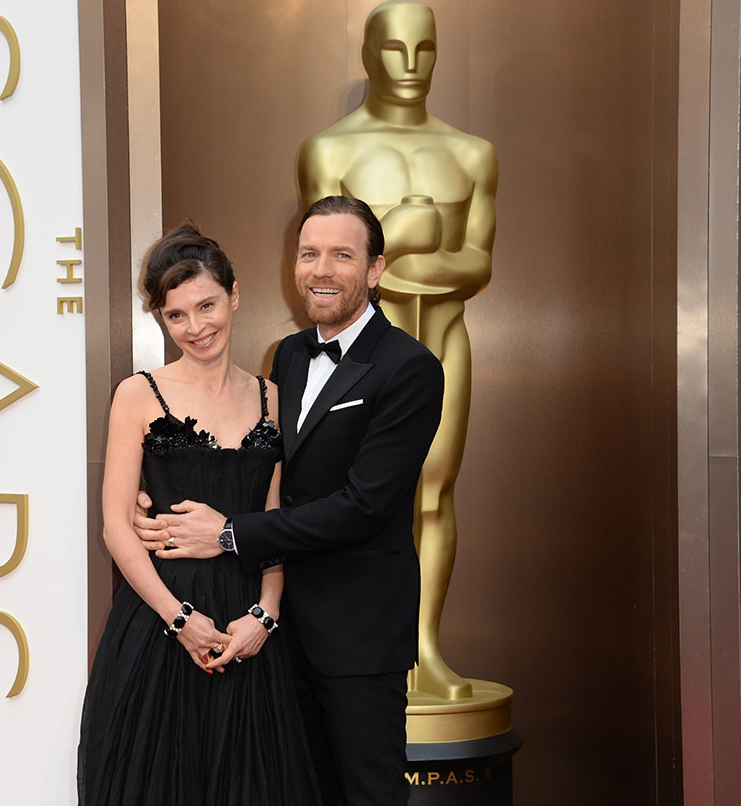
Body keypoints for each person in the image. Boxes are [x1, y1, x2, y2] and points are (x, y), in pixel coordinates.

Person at [134, 196, 444, 806]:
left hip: (358, 632)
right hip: (274, 628)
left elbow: (363, 506)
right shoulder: (291, 355)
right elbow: (266, 473)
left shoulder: (410, 367)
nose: (320, 270)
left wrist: (228, 534)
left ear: (375, 269)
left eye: (341, 255)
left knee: (369, 794)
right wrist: (162, 500)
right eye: (308, 254)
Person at [77, 223, 320, 805]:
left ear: (233, 296)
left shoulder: (273, 397)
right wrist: (178, 618)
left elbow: (274, 517)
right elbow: (117, 525)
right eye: (176, 315)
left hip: (246, 627)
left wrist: (267, 612)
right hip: (159, 622)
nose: (195, 326)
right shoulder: (137, 394)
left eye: (206, 305)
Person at [297, 0, 499, 702]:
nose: (411, 65)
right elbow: (325, 268)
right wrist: (415, 237)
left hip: (442, 340)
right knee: (351, 498)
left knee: (434, 494)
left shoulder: (472, 154)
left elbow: (478, 263)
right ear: (368, 54)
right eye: (394, 49)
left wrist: (398, 249)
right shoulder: (329, 151)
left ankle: (425, 651)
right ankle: (354, 645)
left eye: (424, 49)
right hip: (354, 354)